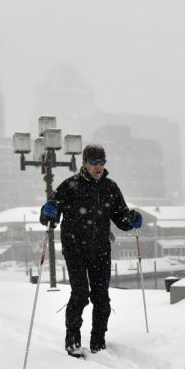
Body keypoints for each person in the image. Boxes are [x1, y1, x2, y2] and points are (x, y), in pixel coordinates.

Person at [39, 143, 143, 357]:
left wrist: (131, 219)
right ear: (84, 163)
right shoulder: (70, 186)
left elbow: (121, 218)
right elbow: (51, 212)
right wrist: (47, 212)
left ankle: (98, 342)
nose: (98, 167)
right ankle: (73, 341)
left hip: (101, 250)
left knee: (102, 298)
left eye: (102, 163)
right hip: (75, 248)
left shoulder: (110, 188)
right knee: (80, 294)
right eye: (94, 163)